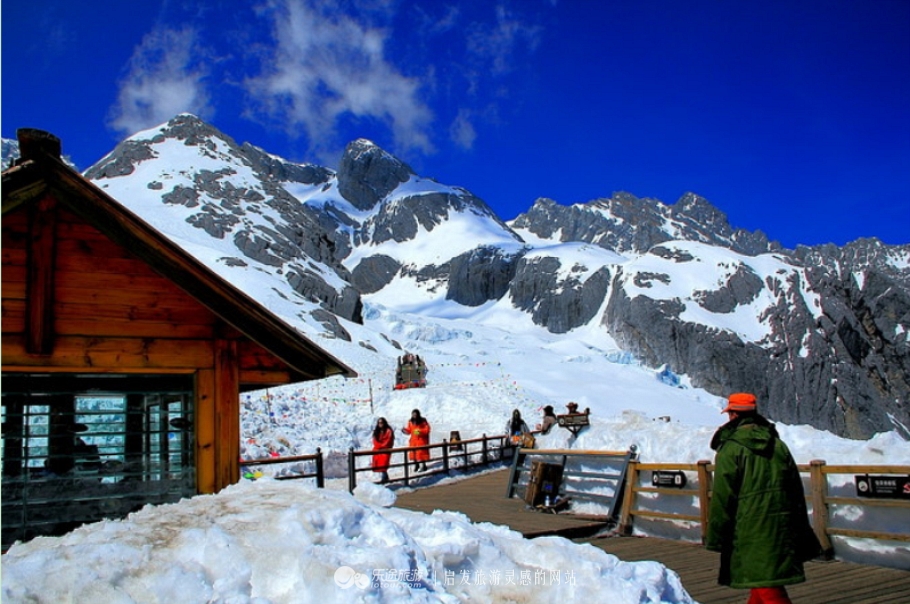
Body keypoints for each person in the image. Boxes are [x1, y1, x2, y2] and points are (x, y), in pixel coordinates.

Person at [705, 393, 821, 604]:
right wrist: (800, 527)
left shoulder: (730, 449)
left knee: (768, 587)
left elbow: (723, 496)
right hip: (781, 524)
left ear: (732, 414)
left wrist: (716, 536)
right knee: (762, 580)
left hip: (749, 528)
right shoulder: (778, 445)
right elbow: (795, 489)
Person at [371, 418, 395, 484]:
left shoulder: (388, 431)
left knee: (384, 464)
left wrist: (381, 446)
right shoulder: (376, 431)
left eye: (381, 422)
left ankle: (384, 478)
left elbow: (388, 441)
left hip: (385, 450)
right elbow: (374, 440)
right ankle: (385, 477)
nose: (380, 424)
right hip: (378, 450)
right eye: (379, 423)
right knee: (379, 464)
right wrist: (378, 446)